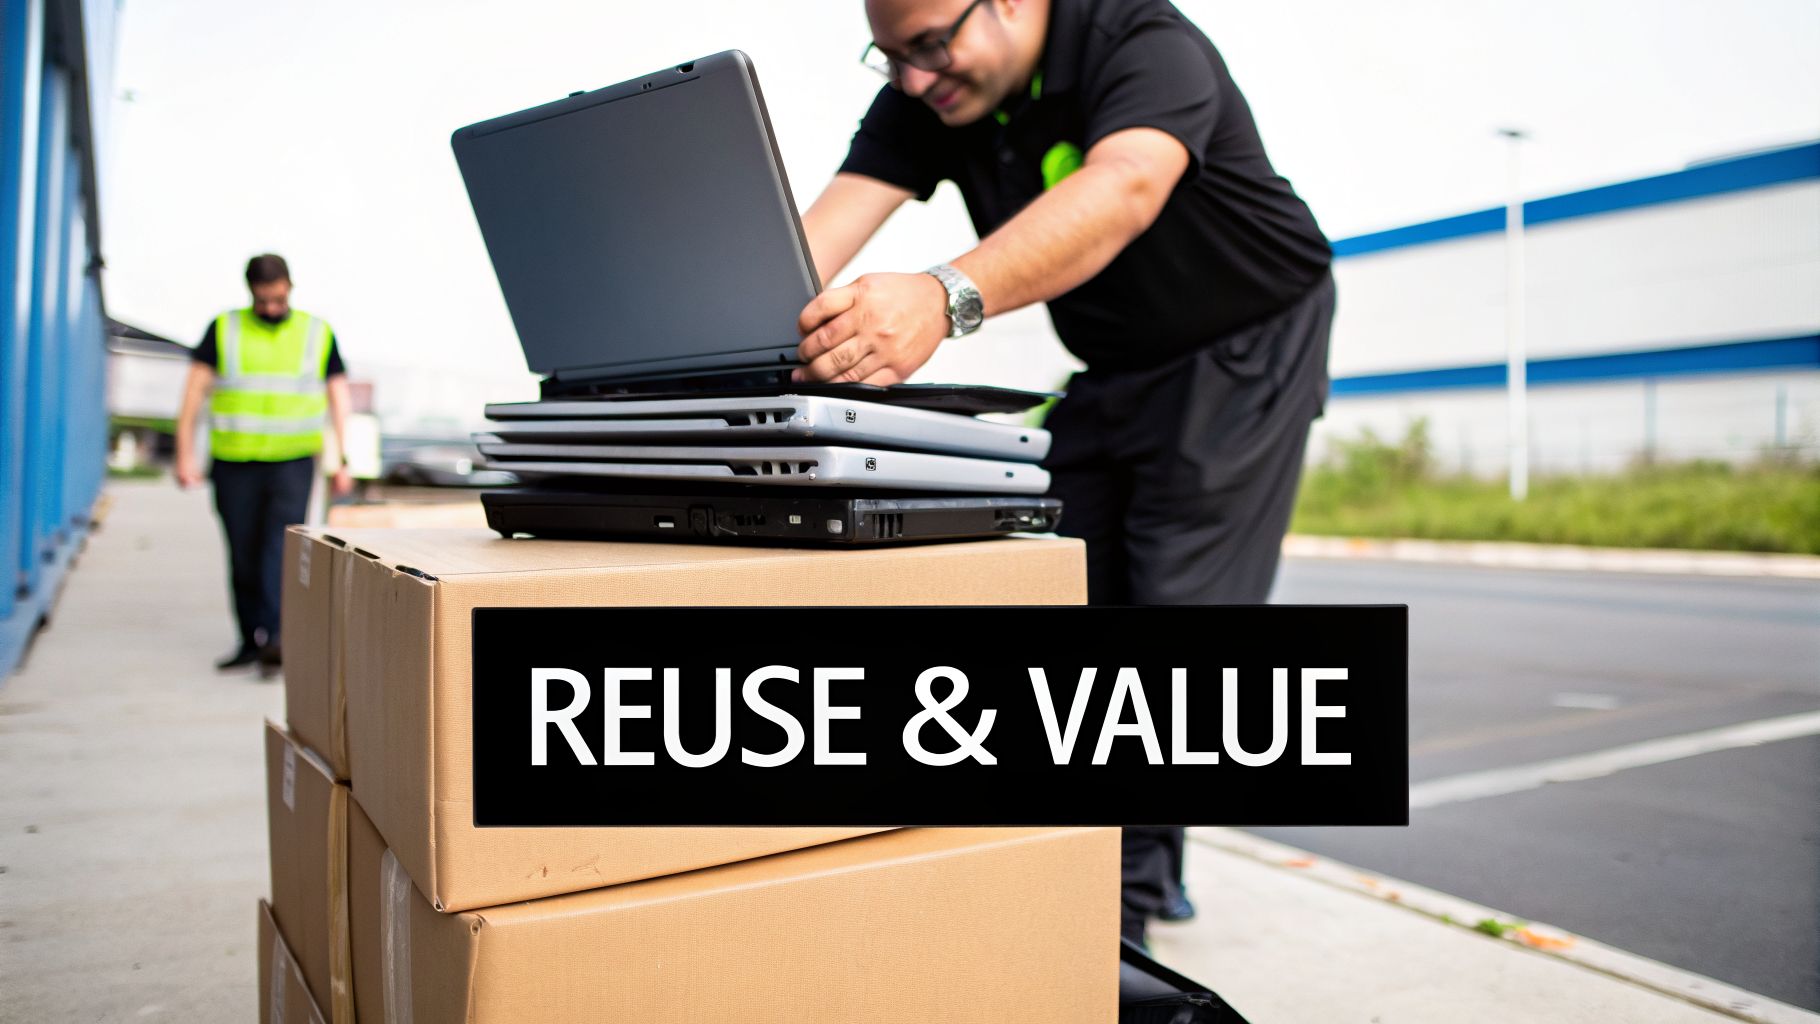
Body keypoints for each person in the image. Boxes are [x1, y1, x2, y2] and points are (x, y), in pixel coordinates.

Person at [794, 0, 1334, 944]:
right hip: (1116, 360)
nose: (918, 78)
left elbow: (1124, 185)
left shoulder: (1141, 41)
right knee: (1055, 586)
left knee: (1175, 614)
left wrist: (942, 297)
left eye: (931, 45)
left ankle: (1116, 929)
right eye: (891, 59)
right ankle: (1128, 868)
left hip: (1245, 341)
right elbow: (817, 238)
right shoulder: (924, 92)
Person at [175, 254, 354, 677]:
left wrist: (343, 460)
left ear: (290, 287)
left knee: (280, 547)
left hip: (292, 461)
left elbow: (339, 397)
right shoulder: (225, 328)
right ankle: (250, 639)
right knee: (243, 553)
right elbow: (194, 393)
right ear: (250, 292)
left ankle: (276, 637)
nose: (272, 308)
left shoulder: (316, 331)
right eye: (263, 300)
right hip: (234, 461)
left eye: (278, 298)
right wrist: (185, 453)